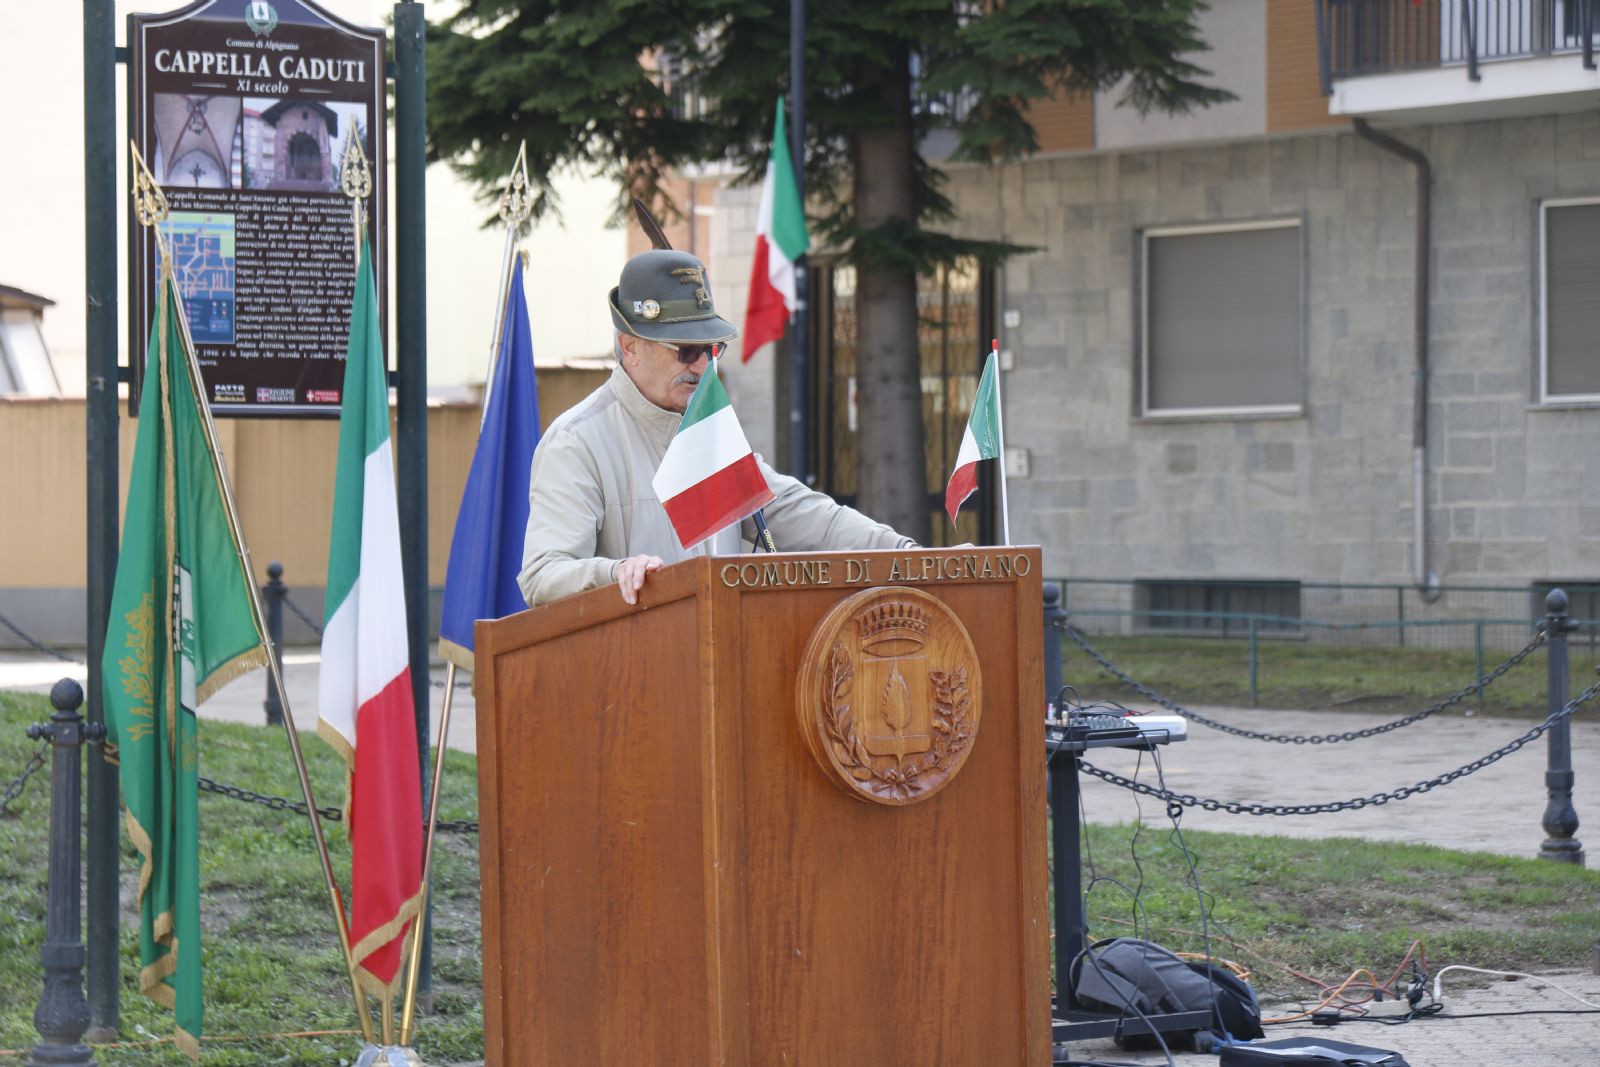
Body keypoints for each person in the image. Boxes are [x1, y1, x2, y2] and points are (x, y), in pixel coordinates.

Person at [518, 248, 915, 607]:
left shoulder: (709, 433)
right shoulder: (577, 442)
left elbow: (808, 517)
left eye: (711, 349)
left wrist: (909, 555)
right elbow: (542, 574)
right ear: (630, 347)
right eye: (686, 350)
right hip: (628, 661)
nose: (702, 366)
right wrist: (615, 572)